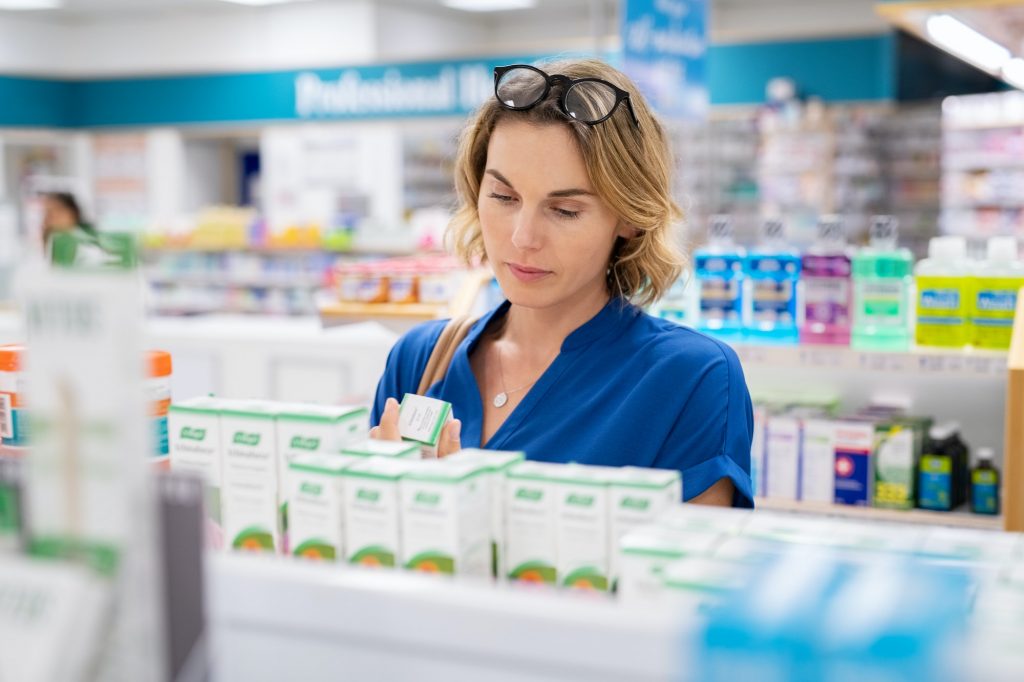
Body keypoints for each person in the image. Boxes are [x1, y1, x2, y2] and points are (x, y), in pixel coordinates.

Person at [371, 58, 754, 507]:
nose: (522, 238)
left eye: (565, 210)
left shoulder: (690, 379)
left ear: (629, 216)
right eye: (503, 197)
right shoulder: (420, 361)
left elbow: (690, 572)